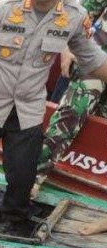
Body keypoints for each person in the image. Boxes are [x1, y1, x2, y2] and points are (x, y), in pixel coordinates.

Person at [0, 0, 107, 228]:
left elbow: (95, 62)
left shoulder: (74, 16)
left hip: (27, 111)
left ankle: (13, 221)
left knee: (22, 177)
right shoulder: (4, 9)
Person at [31, 3, 107, 198]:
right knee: (71, 115)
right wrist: (66, 48)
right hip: (94, 62)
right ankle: (33, 177)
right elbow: (73, 17)